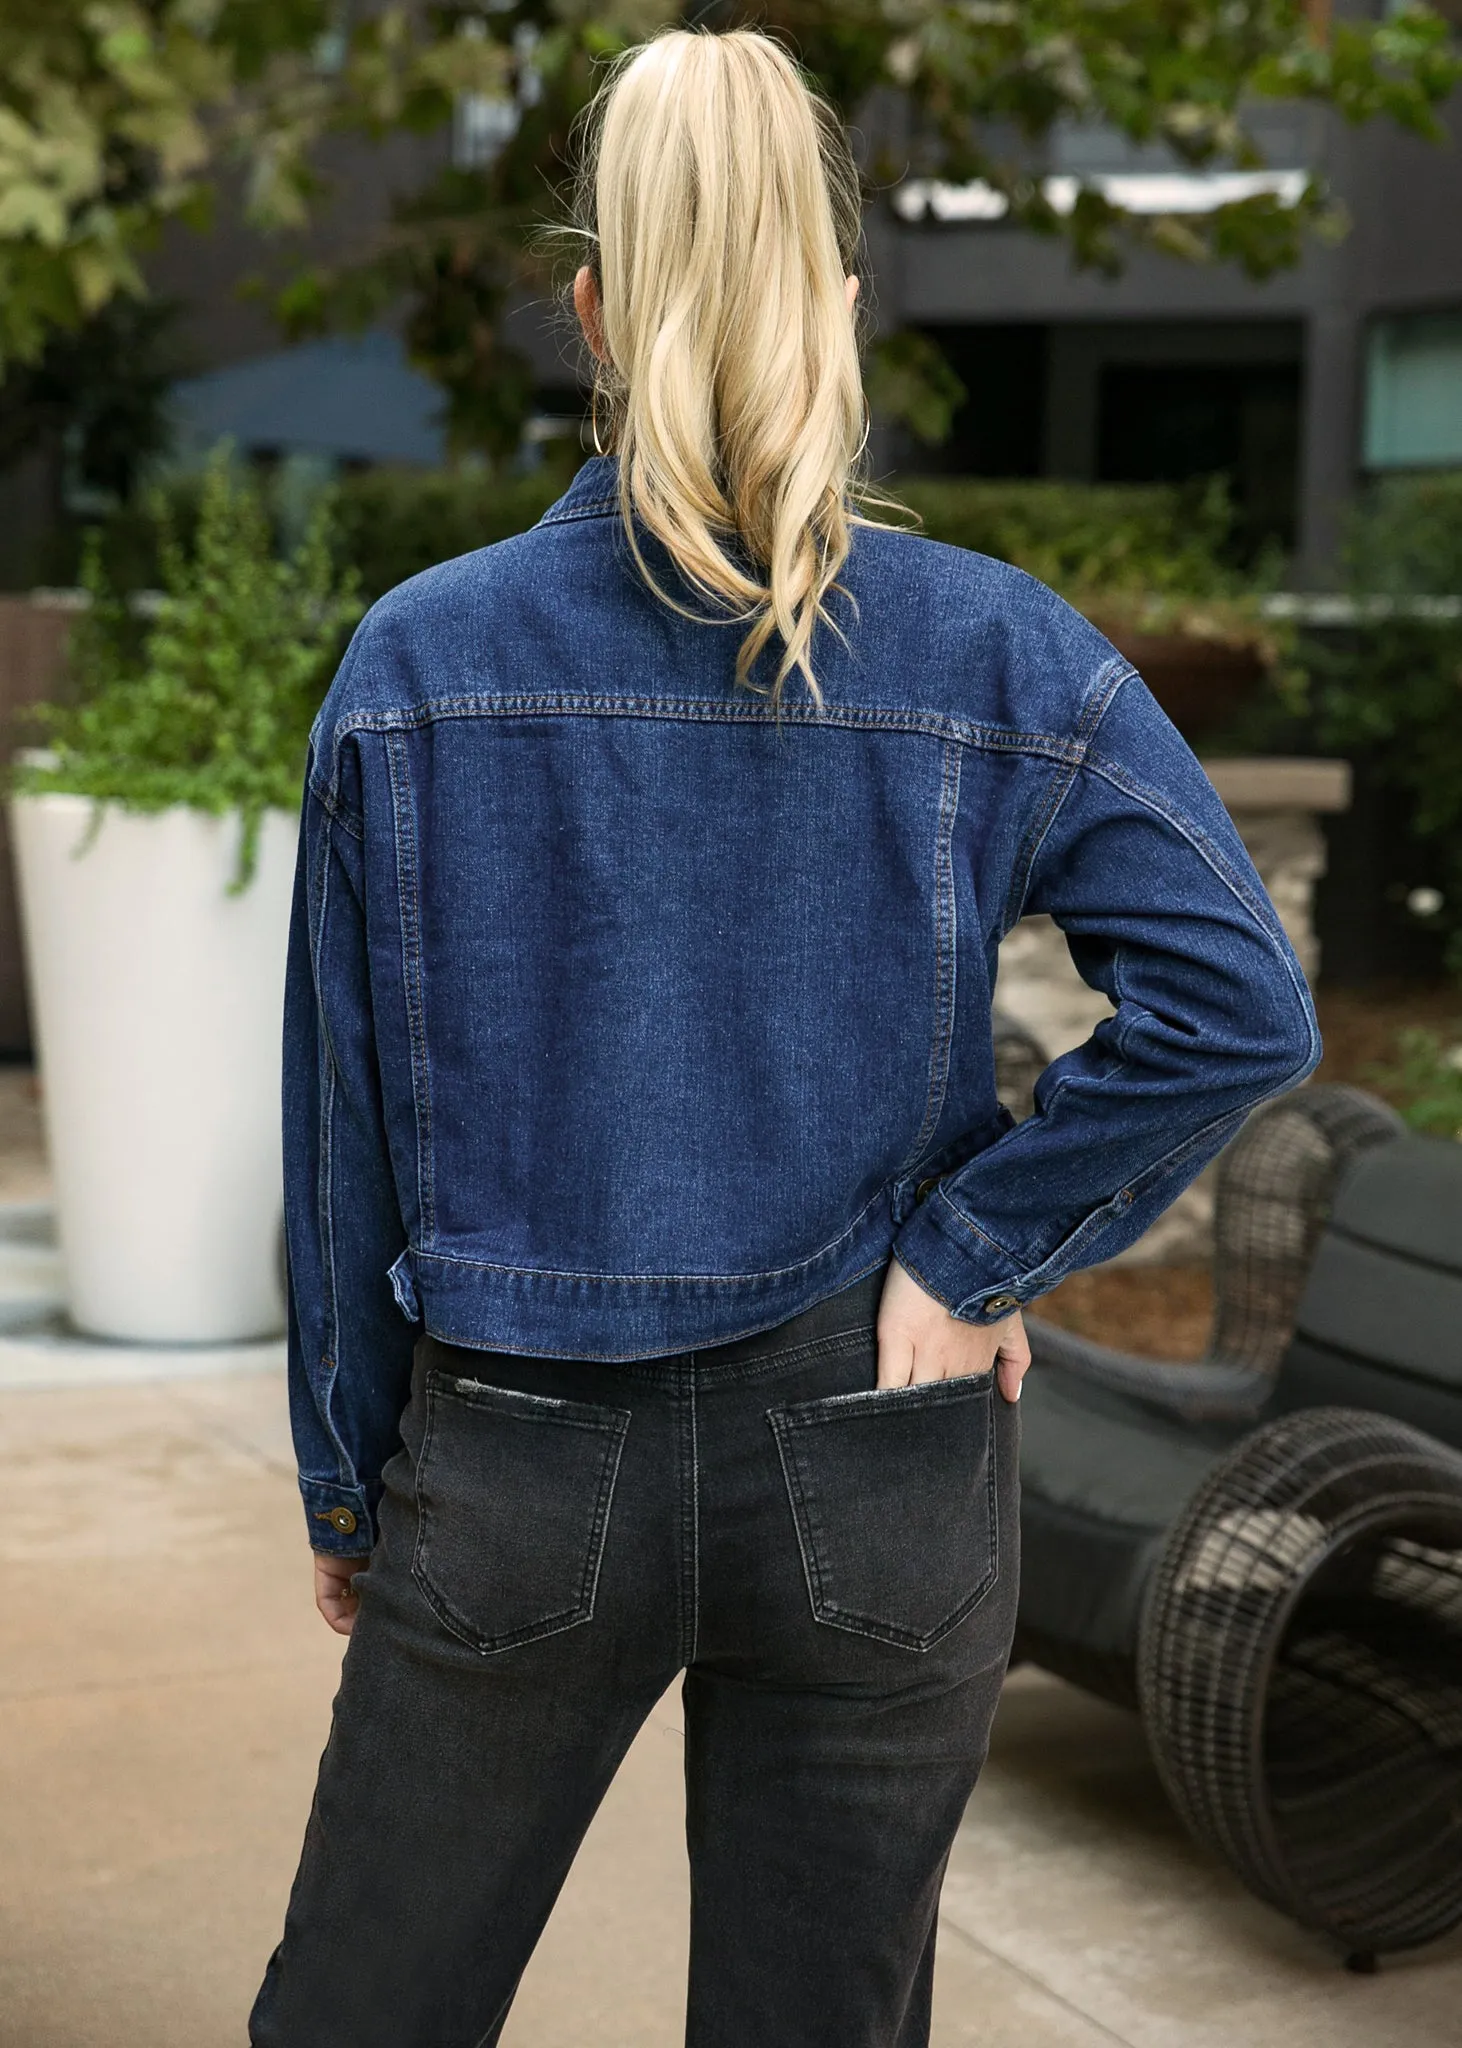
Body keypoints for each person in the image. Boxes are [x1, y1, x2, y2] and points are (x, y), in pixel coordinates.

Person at [250, 26, 1319, 2048]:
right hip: (877, 1444)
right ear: (834, 303)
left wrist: (342, 1481)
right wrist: (968, 1251)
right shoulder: (997, 652)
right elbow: (1235, 999)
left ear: (587, 310)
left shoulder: (417, 661)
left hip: (515, 1458)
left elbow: (347, 1135)